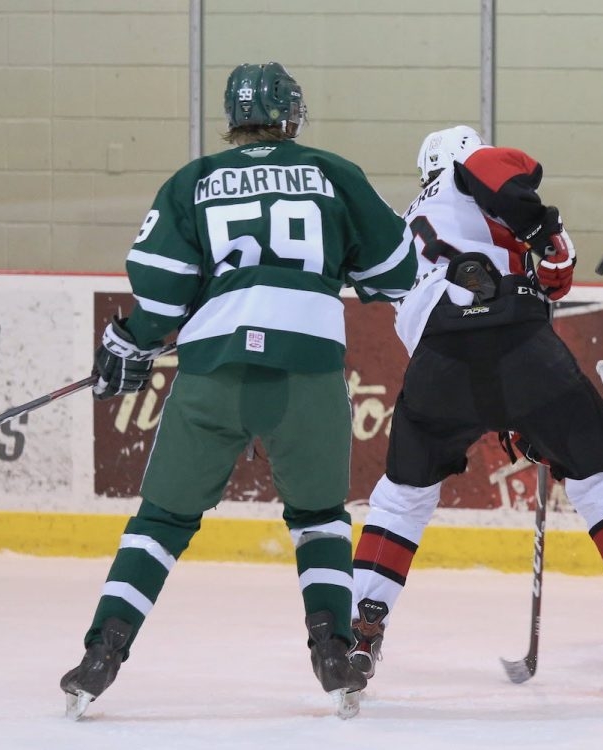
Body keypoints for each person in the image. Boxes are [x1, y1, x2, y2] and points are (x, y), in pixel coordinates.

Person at [59, 61, 418, 719]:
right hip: (307, 372)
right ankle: (335, 654)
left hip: (213, 371)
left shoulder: (194, 181)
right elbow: (398, 271)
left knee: (162, 521)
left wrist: (129, 341)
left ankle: (103, 653)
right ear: (293, 114)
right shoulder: (333, 173)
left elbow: (162, 288)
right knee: (319, 520)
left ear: (232, 117)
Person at [345, 125, 603, 703]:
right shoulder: (475, 169)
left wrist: (503, 406)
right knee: (601, 479)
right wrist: (550, 234)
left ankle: (360, 632)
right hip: (519, 347)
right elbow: (509, 191)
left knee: (402, 497)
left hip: (437, 366)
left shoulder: (401, 225)